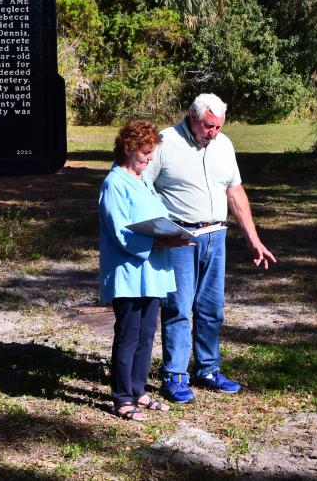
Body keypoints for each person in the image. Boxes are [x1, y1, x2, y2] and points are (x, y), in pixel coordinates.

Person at [145, 93, 277, 404]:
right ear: (192, 117)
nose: (213, 133)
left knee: (211, 308)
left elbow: (234, 193)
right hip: (180, 237)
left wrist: (253, 239)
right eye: (208, 126)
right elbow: (141, 184)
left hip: (216, 236)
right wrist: (158, 231)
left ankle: (207, 369)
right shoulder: (164, 143)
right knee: (178, 307)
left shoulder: (224, 145)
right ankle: (175, 375)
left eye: (218, 127)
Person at [99, 119, 188, 420]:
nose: (150, 158)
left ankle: (139, 391)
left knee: (147, 333)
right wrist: (159, 241)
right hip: (128, 274)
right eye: (146, 152)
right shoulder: (114, 184)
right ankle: (122, 398)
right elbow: (121, 233)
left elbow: (157, 218)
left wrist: (174, 237)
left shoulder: (144, 181)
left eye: (151, 152)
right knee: (129, 335)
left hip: (152, 273)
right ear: (128, 148)